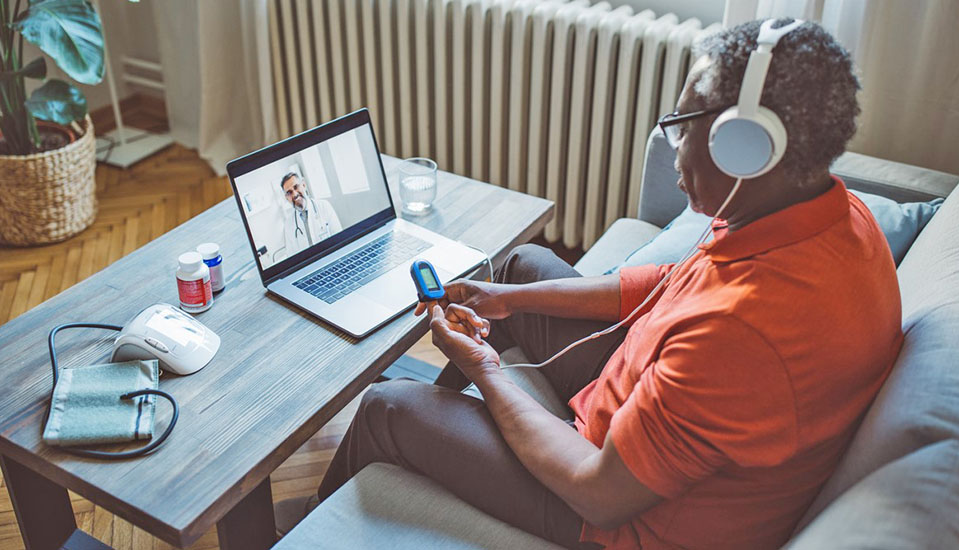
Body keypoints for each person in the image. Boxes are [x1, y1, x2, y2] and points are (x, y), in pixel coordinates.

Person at [276, 19, 903, 550]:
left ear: (747, 148)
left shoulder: (743, 332)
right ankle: (456, 419)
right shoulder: (831, 216)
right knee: (521, 265)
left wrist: (489, 370)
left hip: (617, 510)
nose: (672, 145)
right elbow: (671, 281)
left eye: (682, 125)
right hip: (637, 401)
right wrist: (507, 301)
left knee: (387, 408)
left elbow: (598, 493)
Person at [280, 172, 342, 256]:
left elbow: (340, 240)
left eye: (296, 187)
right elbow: (292, 256)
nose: (295, 194)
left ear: (304, 185)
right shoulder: (288, 225)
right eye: (289, 192)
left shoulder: (324, 206)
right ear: (287, 198)